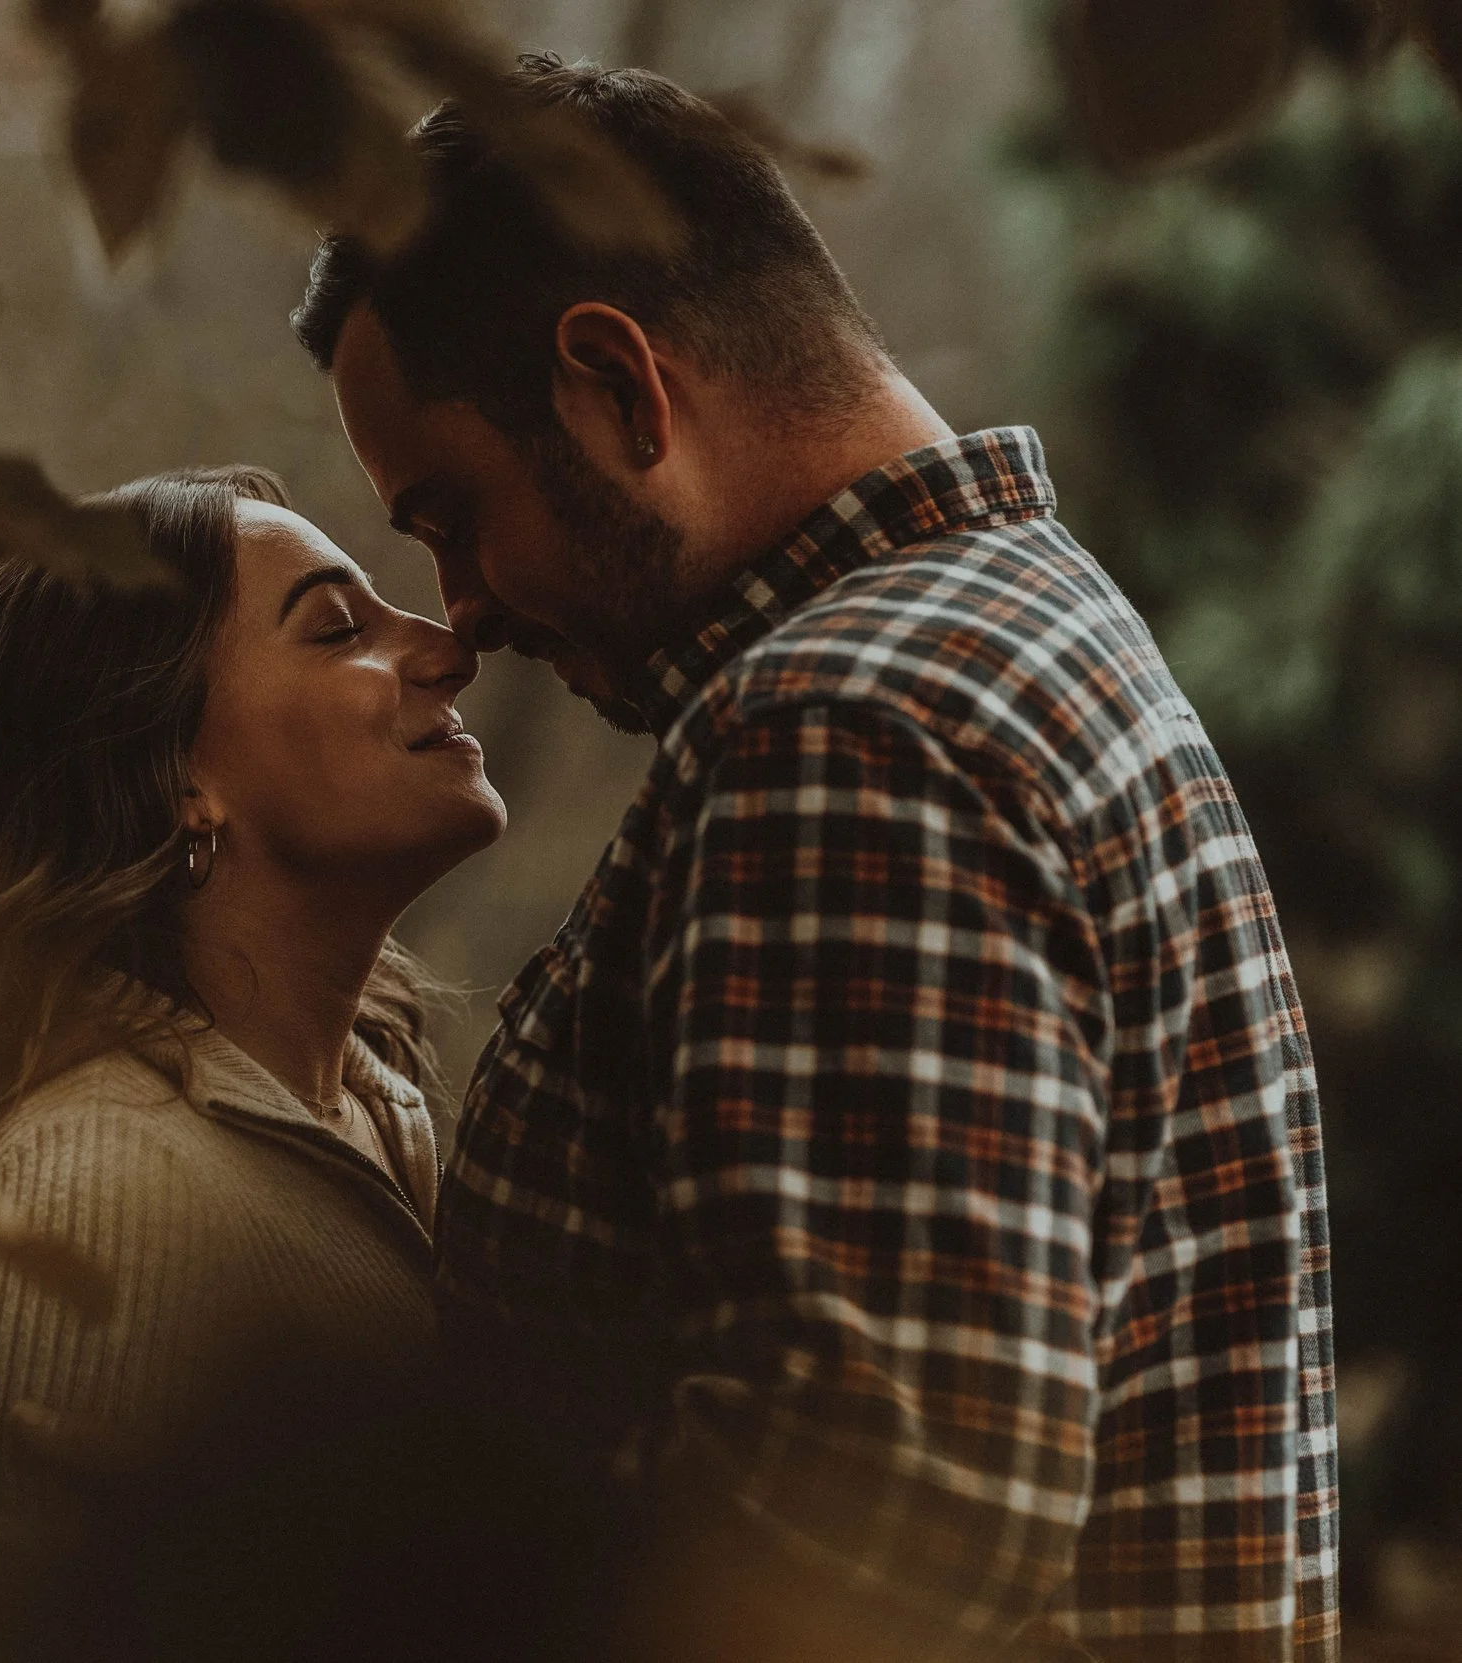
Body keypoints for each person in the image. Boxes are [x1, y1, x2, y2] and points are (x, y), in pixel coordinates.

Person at [292, 56, 1340, 1663]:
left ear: (618, 388)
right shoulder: (1020, 627)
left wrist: (281, 1575)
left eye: (451, 514)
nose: (466, 607)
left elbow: (883, 1515)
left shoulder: (843, 727)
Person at [0, 466, 504, 1514]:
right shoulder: (86, 1199)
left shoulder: (373, 1115)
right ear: (176, 781)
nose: (448, 649)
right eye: (337, 628)